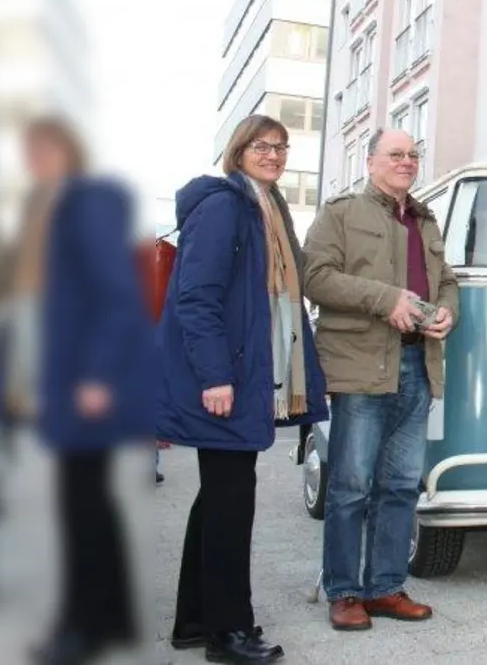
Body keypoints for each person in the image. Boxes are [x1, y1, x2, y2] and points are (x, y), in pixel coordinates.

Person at [157, 114, 329, 663]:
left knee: (217, 500)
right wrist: (216, 377)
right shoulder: (226, 206)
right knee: (232, 503)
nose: (274, 154)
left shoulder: (268, 208)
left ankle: (194, 620)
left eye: (281, 146)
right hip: (223, 376)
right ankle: (229, 634)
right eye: (262, 145)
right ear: (238, 150)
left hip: (239, 371)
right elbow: (196, 298)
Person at [304, 128, 458, 631]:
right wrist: (384, 299)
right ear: (370, 162)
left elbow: (448, 282)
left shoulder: (425, 218)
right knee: (350, 486)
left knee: (400, 486)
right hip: (361, 366)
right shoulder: (341, 213)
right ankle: (345, 592)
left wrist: (447, 314)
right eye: (396, 154)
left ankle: (385, 588)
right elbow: (315, 277)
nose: (407, 162)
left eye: (414, 154)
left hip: (417, 363)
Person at [20, 117, 157, 665]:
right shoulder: (57, 203)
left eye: (45, 149)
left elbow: (116, 293)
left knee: (81, 505)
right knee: (90, 502)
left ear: (68, 150)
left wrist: (97, 376)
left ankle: (81, 628)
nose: (35, 160)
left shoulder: (87, 202)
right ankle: (113, 618)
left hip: (88, 382)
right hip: (70, 377)